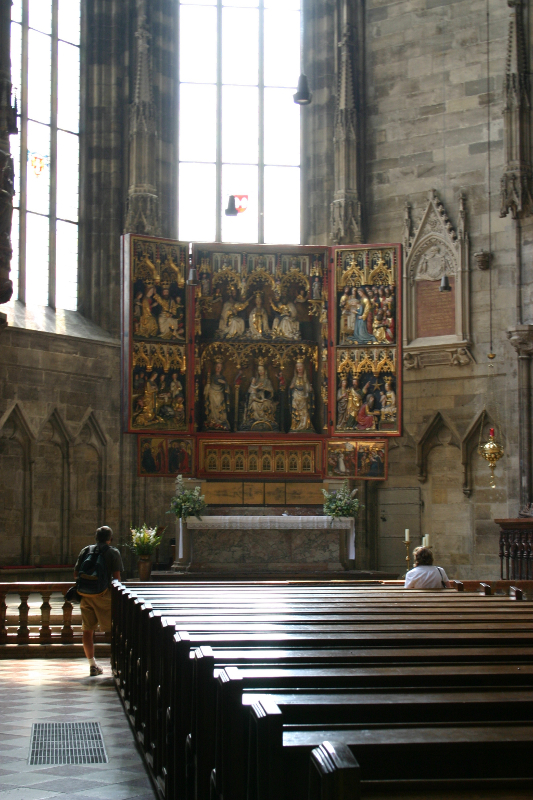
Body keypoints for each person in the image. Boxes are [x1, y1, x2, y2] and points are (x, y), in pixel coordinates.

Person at [74, 526, 124, 676]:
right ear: (110, 539)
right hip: (104, 596)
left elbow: (76, 574)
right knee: (114, 630)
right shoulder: (113, 552)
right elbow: (117, 579)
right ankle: (115, 663)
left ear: (96, 538)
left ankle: (92, 665)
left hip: (85, 594)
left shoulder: (86, 550)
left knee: (87, 630)